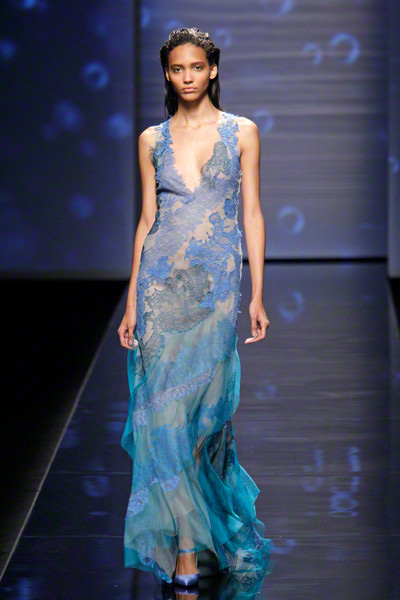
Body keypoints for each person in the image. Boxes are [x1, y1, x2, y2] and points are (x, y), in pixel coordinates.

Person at [118, 27, 272, 589]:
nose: (187, 77)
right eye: (178, 68)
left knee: (204, 417)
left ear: (213, 70)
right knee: (162, 416)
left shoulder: (242, 132)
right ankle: (185, 549)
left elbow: (251, 213)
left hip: (217, 291)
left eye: (197, 67)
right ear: (167, 73)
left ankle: (202, 526)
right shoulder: (150, 140)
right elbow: (146, 221)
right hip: (159, 289)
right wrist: (131, 301)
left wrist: (258, 293)